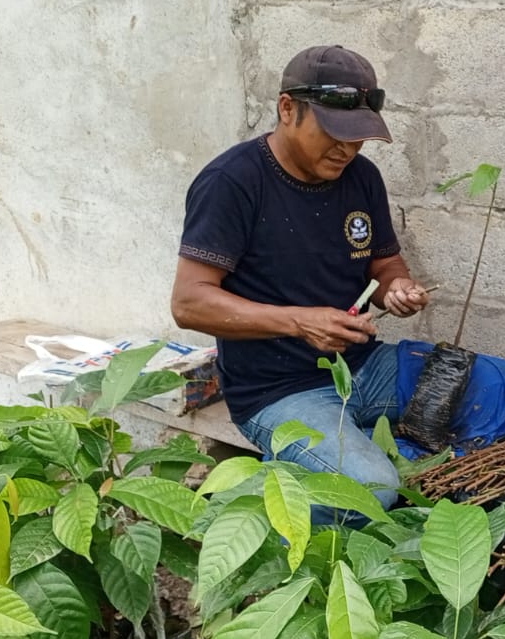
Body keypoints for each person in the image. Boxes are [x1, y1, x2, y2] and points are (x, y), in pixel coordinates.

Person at [170, 45, 431, 518]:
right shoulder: (232, 182)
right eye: (334, 133)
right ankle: (258, 518)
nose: (347, 149)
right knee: (370, 491)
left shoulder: (362, 177)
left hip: (361, 367)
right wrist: (299, 322)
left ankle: (378, 470)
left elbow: (384, 264)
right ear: (288, 109)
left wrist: (397, 287)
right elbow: (189, 303)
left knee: (494, 386)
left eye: (358, 137)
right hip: (278, 391)